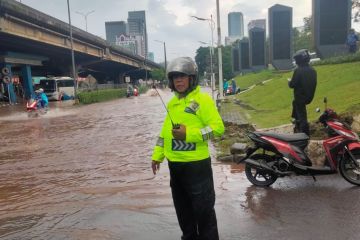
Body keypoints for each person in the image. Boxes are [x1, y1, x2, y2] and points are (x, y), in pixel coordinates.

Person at [151, 57, 225, 240]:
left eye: (183, 76)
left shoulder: (203, 101)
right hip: (175, 167)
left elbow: (217, 129)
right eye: (175, 77)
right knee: (183, 213)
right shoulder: (172, 104)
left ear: (192, 78)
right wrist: (157, 155)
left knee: (204, 213)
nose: (179, 80)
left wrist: (189, 134)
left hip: (197, 167)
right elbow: (165, 135)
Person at [288, 49, 317, 136]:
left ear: (298, 60)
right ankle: (295, 120)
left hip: (300, 97)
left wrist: (289, 82)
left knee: (303, 117)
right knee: (294, 103)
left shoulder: (298, 70)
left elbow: (292, 85)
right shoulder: (313, 70)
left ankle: (304, 135)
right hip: (309, 96)